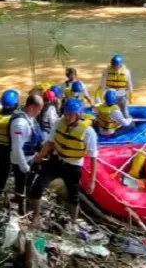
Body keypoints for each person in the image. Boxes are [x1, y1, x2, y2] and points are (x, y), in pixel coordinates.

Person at [30, 98, 97, 229]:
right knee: (37, 186)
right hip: (56, 160)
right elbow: (50, 142)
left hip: (73, 166)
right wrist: (41, 155)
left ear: (78, 115)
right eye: (66, 113)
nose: (67, 117)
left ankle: (73, 223)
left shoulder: (89, 132)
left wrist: (92, 181)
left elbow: (94, 157)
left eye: (71, 114)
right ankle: (36, 218)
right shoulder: (58, 123)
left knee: (73, 196)